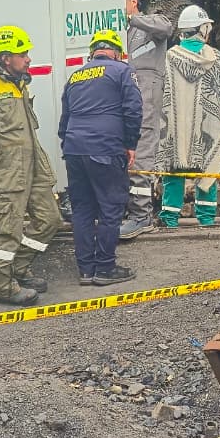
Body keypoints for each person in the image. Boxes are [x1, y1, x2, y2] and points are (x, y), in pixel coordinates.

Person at [0, 25, 62, 306]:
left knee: (49, 220)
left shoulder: (19, 83)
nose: (28, 58)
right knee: (6, 229)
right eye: (22, 53)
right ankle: (3, 287)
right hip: (9, 171)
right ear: (6, 58)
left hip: (33, 167)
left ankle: (20, 267)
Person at [59, 30, 142, 285]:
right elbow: (134, 109)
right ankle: (105, 268)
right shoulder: (122, 71)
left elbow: (65, 119)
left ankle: (86, 270)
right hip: (106, 148)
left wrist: (69, 143)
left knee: (83, 209)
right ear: (116, 52)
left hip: (74, 149)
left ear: (92, 52)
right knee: (111, 207)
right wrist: (130, 144)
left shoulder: (75, 76)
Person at [159, 5, 220, 227]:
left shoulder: (167, 58)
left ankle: (170, 220)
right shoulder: (216, 58)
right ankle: (206, 221)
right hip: (208, 129)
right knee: (208, 168)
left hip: (175, 131)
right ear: (203, 28)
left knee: (174, 172)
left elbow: (158, 96)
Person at [122, 0, 173, 239]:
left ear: (134, 1)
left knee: (141, 151)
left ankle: (141, 215)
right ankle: (125, 210)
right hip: (123, 93)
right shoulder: (116, 31)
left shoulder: (148, 24)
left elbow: (166, 27)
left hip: (146, 93)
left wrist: (134, 21)